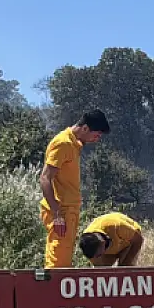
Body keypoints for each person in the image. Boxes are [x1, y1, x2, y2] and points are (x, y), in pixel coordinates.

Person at [39, 110, 110, 269]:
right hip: (61, 212)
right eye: (96, 135)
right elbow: (45, 178)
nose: (97, 139)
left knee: (63, 259)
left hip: (68, 212)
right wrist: (57, 215)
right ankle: (52, 292)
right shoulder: (63, 143)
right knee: (58, 262)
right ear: (85, 128)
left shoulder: (74, 144)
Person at [78, 211, 146, 267]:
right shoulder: (88, 246)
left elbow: (138, 240)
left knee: (124, 269)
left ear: (102, 242)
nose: (96, 258)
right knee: (103, 271)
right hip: (111, 248)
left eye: (98, 255)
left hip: (128, 243)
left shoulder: (117, 226)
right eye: (96, 256)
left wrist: (125, 265)